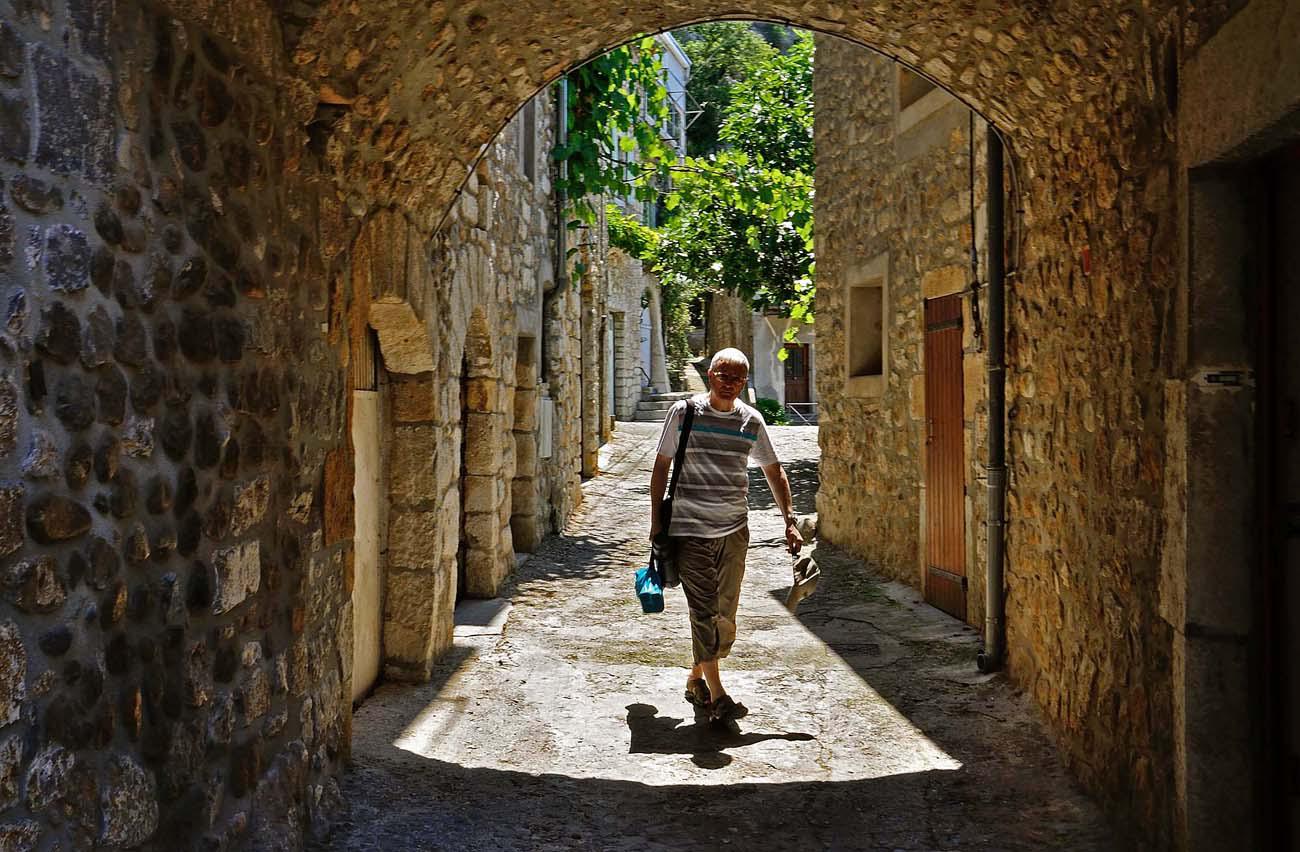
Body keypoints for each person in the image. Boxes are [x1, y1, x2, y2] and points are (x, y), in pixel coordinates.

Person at [649, 348, 803, 723]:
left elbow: (774, 470)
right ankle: (719, 696)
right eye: (723, 374)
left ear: (744, 382)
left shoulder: (751, 421)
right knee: (703, 611)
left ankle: (695, 678)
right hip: (689, 529)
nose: (729, 382)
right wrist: (657, 523)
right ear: (709, 375)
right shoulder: (684, 413)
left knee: (725, 615)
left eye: (737, 377)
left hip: (734, 531)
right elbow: (660, 468)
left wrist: (790, 519)